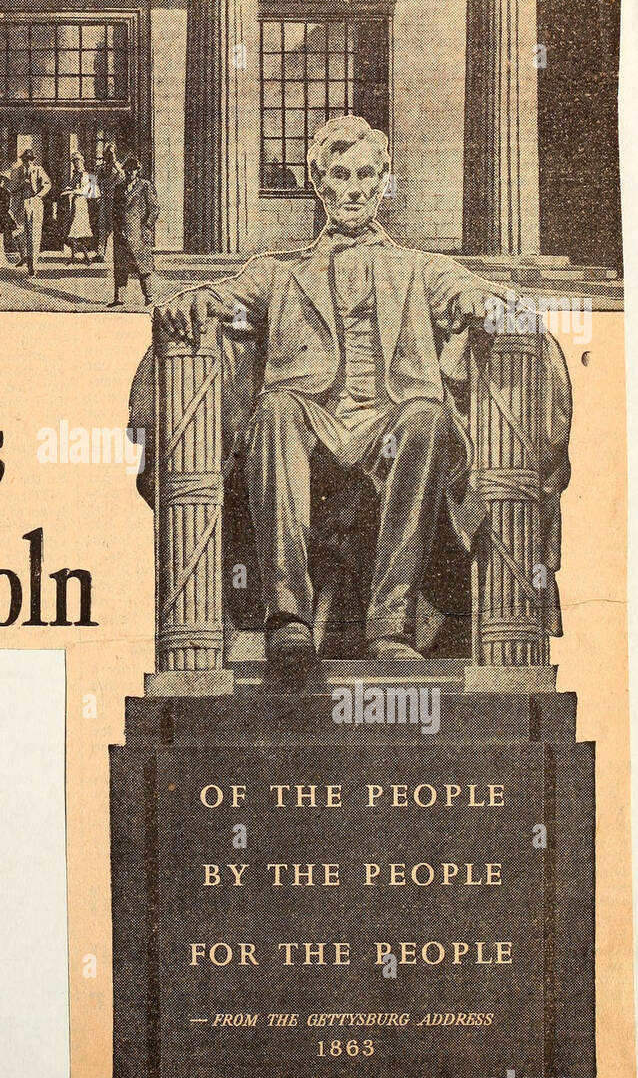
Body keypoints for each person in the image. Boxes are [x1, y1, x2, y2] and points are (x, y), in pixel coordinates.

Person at [156, 114, 501, 684]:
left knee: (428, 419)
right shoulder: (281, 271)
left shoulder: (419, 268)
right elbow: (221, 293)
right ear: (320, 183)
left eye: (367, 175)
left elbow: (469, 288)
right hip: (313, 422)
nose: (353, 189)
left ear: (384, 181)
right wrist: (189, 300)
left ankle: (389, 626)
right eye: (339, 175)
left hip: (390, 422)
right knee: (276, 409)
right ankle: (287, 616)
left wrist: (486, 301)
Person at [108, 156, 158, 308]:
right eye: (127, 170)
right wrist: (117, 229)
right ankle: (119, 299)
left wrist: (146, 227)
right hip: (122, 235)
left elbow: (154, 209)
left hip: (139, 234)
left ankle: (149, 298)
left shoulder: (145, 186)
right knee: (121, 268)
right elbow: (115, 212)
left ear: (138, 171)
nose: (130, 172)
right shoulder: (118, 188)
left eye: (133, 170)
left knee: (143, 268)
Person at [8, 148, 51, 276]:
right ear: (22, 160)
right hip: (21, 203)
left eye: (29, 160)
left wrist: (38, 196)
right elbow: (12, 188)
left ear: (33, 160)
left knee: (34, 234)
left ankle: (33, 266)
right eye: (25, 160)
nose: (27, 162)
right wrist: (21, 184)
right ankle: (24, 255)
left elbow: (48, 184)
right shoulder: (17, 171)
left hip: (34, 203)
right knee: (18, 231)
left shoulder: (38, 170)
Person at [60, 152, 98, 266]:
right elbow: (71, 185)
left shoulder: (84, 175)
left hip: (81, 204)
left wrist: (71, 191)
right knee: (72, 231)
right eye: (74, 162)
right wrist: (67, 188)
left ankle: (86, 256)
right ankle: (74, 256)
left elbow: (84, 190)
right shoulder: (76, 174)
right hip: (74, 203)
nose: (76, 163)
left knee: (78, 232)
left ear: (82, 162)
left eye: (77, 161)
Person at [95, 144, 123, 266]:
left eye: (112, 153)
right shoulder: (100, 168)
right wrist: (97, 197)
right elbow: (94, 184)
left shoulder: (119, 168)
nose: (110, 156)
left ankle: (112, 255)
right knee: (102, 227)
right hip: (103, 201)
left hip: (114, 202)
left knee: (113, 227)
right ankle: (101, 254)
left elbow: (122, 179)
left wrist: (116, 165)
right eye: (108, 153)